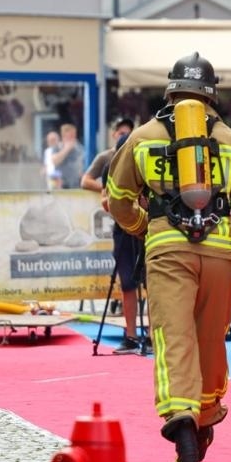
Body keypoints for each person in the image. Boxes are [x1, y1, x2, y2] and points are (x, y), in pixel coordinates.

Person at [107, 52, 231, 462]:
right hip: (221, 255)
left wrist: (143, 226)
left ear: (170, 92)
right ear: (211, 95)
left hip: (168, 252)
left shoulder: (142, 137)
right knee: (210, 341)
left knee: (174, 338)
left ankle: (182, 423)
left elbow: (117, 199)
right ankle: (204, 415)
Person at [85, 118, 146, 354]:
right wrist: (119, 204)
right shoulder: (109, 167)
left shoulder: (144, 163)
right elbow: (105, 199)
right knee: (127, 283)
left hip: (145, 229)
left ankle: (152, 335)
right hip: (123, 230)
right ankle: (130, 336)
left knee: (152, 282)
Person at [50, 123, 86, 190]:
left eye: (74, 135)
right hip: (61, 186)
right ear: (63, 136)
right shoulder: (57, 147)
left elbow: (84, 163)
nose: (73, 138)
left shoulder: (79, 148)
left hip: (76, 185)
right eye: (71, 135)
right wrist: (66, 149)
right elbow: (54, 161)